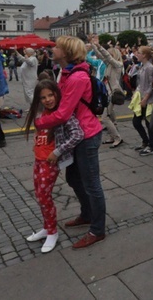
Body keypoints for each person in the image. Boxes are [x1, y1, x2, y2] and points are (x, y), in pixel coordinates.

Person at [34, 35, 106, 248]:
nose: (53, 49)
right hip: (77, 135)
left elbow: (64, 113)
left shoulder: (76, 78)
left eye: (56, 47)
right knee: (74, 179)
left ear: (65, 52)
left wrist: (40, 123)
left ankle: (98, 229)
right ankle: (86, 214)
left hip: (86, 135)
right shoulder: (66, 73)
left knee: (92, 184)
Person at [23, 80, 84, 253]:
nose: (48, 99)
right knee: (40, 195)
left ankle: (52, 232)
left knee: (44, 196)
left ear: (57, 93)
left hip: (50, 162)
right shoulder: (42, 113)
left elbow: (77, 134)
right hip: (39, 159)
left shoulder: (62, 114)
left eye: (50, 95)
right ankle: (47, 228)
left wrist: (57, 152)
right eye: (43, 97)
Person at [89, 36, 124, 148]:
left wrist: (99, 46)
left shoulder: (118, 65)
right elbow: (100, 56)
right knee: (111, 117)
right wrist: (93, 45)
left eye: (110, 53)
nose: (107, 55)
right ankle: (112, 136)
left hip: (113, 92)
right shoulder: (109, 64)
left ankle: (117, 138)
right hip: (107, 92)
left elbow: (107, 57)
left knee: (104, 117)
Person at [132, 46, 153, 155]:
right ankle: (145, 141)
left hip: (148, 99)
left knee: (148, 123)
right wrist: (135, 94)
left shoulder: (149, 68)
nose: (137, 54)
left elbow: (151, 85)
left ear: (145, 55)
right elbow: (140, 84)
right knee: (136, 121)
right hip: (141, 97)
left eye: (139, 53)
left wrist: (145, 98)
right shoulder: (143, 66)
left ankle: (151, 145)